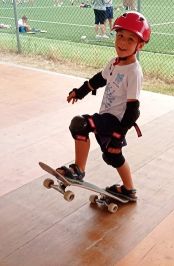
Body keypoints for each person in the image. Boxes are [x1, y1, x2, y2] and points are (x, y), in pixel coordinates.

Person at [56, 11, 151, 201]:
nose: (122, 43)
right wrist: (80, 91)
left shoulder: (134, 72)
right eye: (120, 36)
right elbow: (99, 79)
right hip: (106, 117)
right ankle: (129, 190)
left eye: (130, 39)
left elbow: (133, 111)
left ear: (139, 45)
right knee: (111, 157)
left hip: (116, 121)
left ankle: (78, 170)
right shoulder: (115, 62)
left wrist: (118, 135)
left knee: (80, 124)